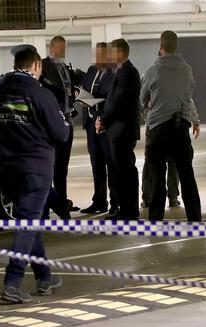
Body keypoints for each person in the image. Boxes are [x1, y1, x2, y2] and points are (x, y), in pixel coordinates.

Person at [0, 47, 67, 304]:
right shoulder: (40, 93)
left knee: (28, 220)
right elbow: (62, 133)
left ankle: (44, 276)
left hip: (6, 168)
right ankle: (12, 282)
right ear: (37, 66)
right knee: (27, 223)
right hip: (35, 168)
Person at [140, 30, 202, 222]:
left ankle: (156, 219)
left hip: (159, 129)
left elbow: (142, 98)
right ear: (176, 45)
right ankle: (194, 217)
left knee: (157, 176)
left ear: (161, 46)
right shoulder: (187, 70)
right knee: (187, 175)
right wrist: (194, 119)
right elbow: (188, 96)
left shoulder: (153, 71)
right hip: (180, 128)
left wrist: (150, 105)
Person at [95, 38, 141, 220]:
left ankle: (130, 211)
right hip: (118, 129)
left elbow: (119, 103)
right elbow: (112, 101)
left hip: (123, 129)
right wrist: (102, 118)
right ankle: (125, 210)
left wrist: (103, 120)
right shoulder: (121, 71)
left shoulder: (128, 73)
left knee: (126, 171)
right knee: (121, 172)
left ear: (120, 53)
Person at [40, 35, 83, 218]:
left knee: (62, 168)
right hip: (52, 123)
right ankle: (44, 208)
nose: (63, 51)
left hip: (67, 120)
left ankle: (62, 204)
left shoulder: (65, 67)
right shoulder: (43, 66)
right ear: (51, 48)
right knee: (48, 167)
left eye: (65, 48)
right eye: (60, 48)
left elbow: (68, 89)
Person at [79, 42, 118, 215]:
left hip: (106, 125)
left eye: (101, 55)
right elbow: (85, 88)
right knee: (96, 165)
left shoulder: (113, 73)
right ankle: (99, 201)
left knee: (112, 164)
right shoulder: (91, 71)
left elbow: (111, 97)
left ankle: (115, 203)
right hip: (90, 123)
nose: (97, 59)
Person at [141, 99, 201, 209]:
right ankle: (172, 197)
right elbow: (188, 101)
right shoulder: (179, 83)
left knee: (151, 163)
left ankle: (148, 198)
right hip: (175, 124)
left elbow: (143, 100)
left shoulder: (152, 82)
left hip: (155, 126)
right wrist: (195, 121)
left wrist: (148, 119)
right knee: (174, 163)